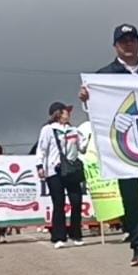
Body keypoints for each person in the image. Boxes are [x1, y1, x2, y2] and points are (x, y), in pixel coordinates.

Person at [79, 24, 138, 266]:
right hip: (122, 147)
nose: (128, 44)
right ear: (115, 46)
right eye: (123, 40)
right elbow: (96, 113)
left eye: (132, 39)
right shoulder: (103, 76)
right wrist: (86, 100)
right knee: (130, 197)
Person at [35, 102, 87, 249]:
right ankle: (59, 236)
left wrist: (88, 138)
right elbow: (42, 149)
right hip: (54, 171)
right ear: (58, 113)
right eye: (66, 111)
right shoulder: (48, 129)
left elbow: (82, 148)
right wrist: (40, 166)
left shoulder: (74, 130)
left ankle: (76, 234)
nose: (68, 114)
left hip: (71, 170)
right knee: (59, 204)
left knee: (76, 202)